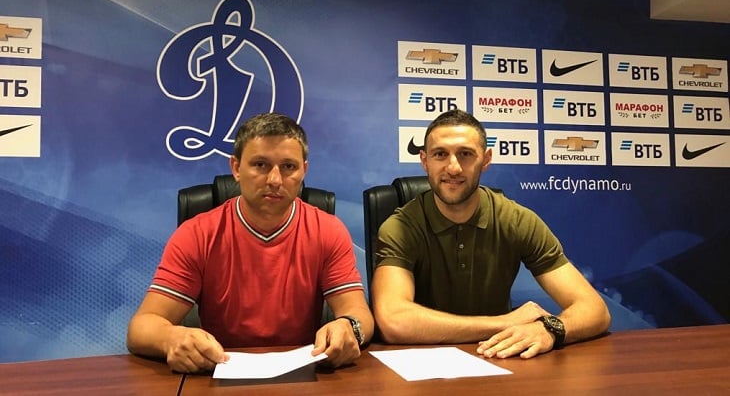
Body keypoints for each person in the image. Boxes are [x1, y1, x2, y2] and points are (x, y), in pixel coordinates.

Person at [127, 112, 373, 373]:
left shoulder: (328, 230)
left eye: (288, 167)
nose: (275, 180)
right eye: (260, 165)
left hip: (304, 376)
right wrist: (171, 338)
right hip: (215, 374)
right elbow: (141, 327)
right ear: (236, 168)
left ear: (304, 170)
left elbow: (360, 315)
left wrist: (349, 327)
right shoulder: (197, 234)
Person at [371, 109, 610, 360]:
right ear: (424, 160)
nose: (453, 168)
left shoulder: (516, 220)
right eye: (440, 154)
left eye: (465, 154)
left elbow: (595, 310)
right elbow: (393, 320)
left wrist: (549, 329)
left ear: (486, 160)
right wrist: (504, 323)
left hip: (500, 357)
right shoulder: (401, 227)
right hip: (418, 364)